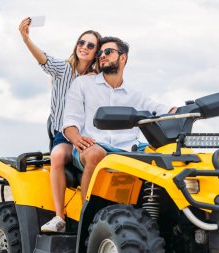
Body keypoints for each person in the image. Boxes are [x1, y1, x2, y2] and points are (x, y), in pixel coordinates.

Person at [63, 36, 177, 203]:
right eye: (100, 52)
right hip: (91, 145)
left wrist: (184, 110)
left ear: (123, 58)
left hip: (129, 148)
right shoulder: (82, 84)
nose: (102, 55)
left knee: (170, 156)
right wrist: (77, 139)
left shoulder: (135, 94)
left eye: (108, 52)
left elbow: (163, 111)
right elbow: (70, 122)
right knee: (96, 153)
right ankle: (86, 218)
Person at [18, 17, 101, 232]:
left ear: (96, 52)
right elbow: (43, 59)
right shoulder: (64, 70)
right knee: (56, 156)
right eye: (81, 43)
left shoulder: (97, 78)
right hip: (65, 135)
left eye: (90, 45)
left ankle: (92, 213)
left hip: (90, 134)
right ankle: (59, 217)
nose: (84, 47)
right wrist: (26, 38)